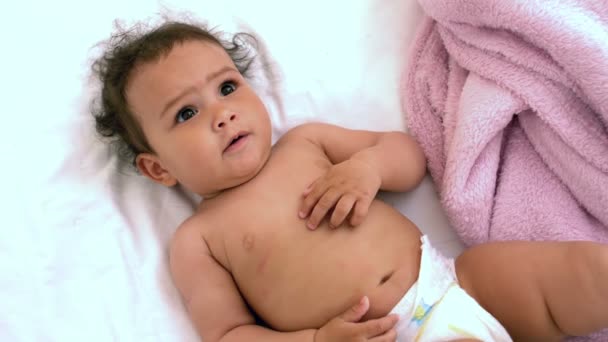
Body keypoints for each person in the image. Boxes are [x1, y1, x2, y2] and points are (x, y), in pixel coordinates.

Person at [91, 18, 608, 342]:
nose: (221, 114)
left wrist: (368, 168)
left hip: (456, 287)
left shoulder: (306, 144)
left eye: (227, 86)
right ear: (158, 168)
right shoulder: (197, 241)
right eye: (186, 114)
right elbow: (228, 334)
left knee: (575, 271)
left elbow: (407, 156)